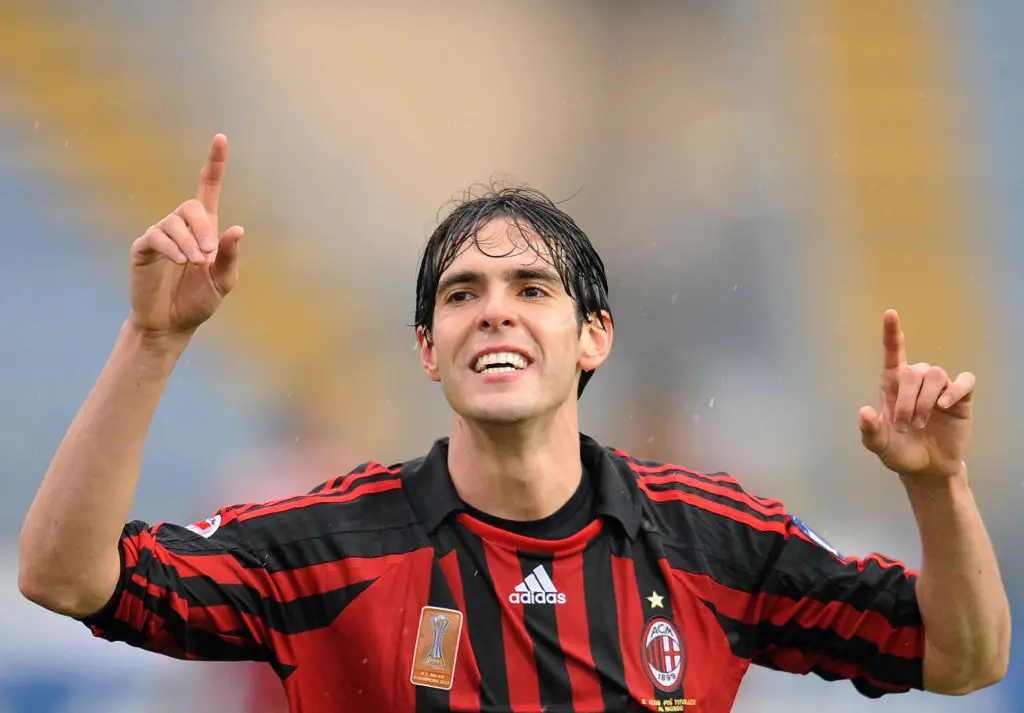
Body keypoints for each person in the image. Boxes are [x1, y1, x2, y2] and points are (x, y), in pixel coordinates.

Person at [18, 135, 1010, 713]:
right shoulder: (331, 539)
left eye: (531, 286)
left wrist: (937, 485)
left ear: (593, 337)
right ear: (427, 346)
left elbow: (964, 658)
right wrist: (152, 341)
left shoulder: (710, 536)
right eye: (461, 293)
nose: (493, 308)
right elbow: (65, 574)